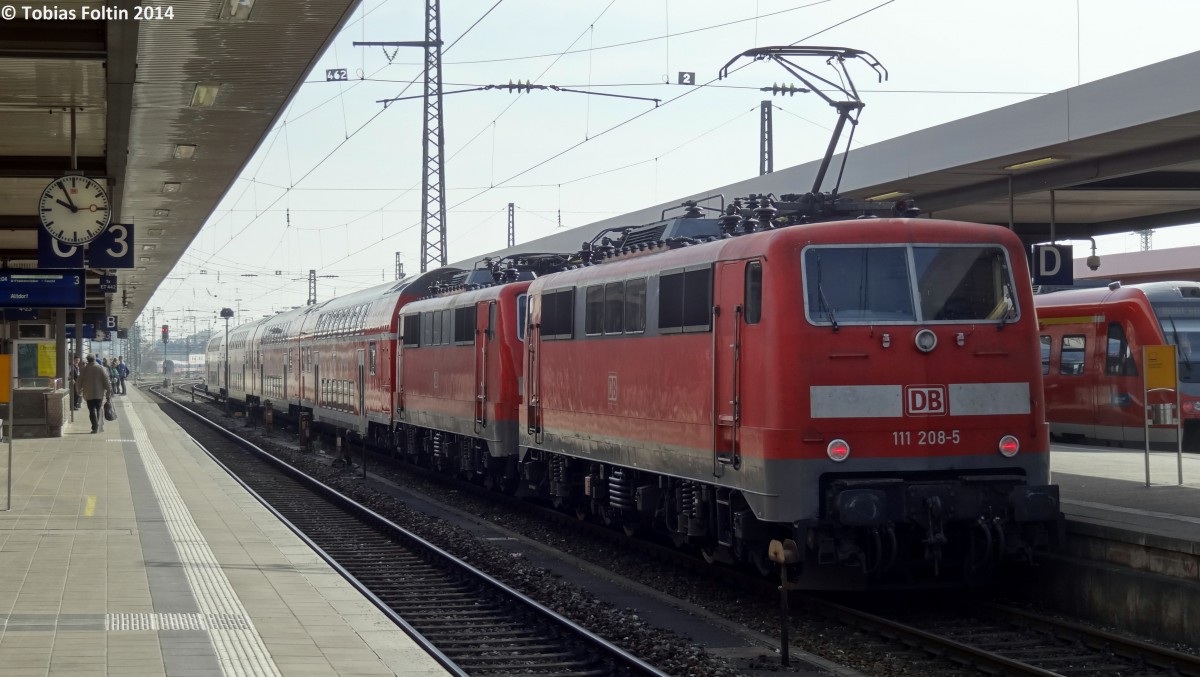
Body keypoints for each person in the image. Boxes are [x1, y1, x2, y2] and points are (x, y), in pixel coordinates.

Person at [76, 355, 112, 433]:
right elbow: (106, 380)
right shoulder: (101, 368)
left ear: (88, 360)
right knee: (99, 409)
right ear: (95, 359)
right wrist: (109, 391)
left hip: (88, 394)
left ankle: (94, 427)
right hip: (99, 393)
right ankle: (99, 426)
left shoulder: (84, 369)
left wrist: (78, 391)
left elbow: (78, 381)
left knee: (91, 410)